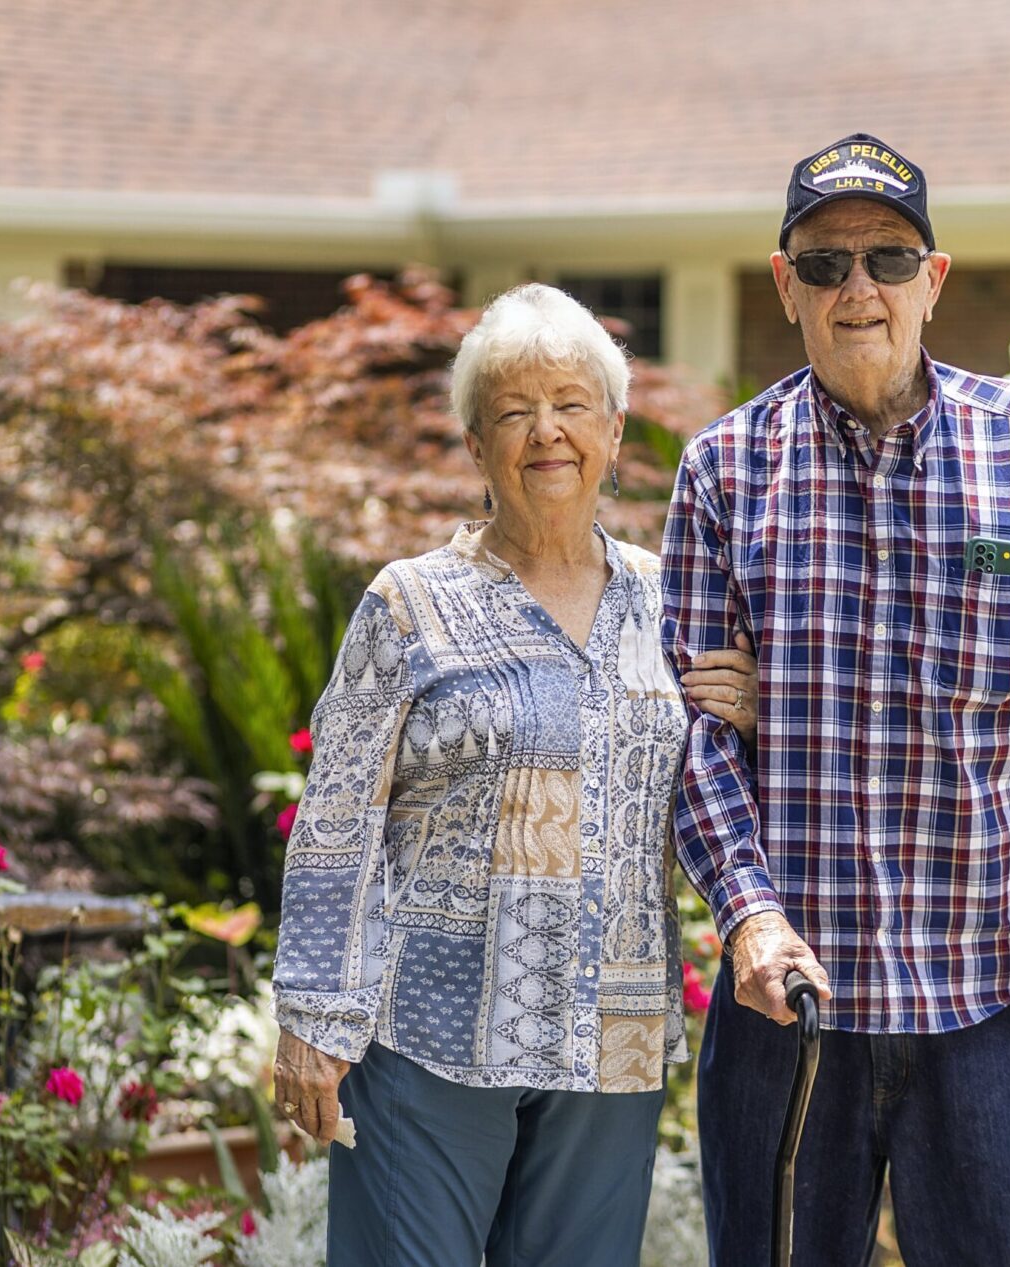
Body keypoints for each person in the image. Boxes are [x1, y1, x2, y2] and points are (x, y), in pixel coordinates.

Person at [660, 133, 1010, 1266]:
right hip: (788, 1009)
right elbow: (694, 740)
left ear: (931, 282)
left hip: (994, 998)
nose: (859, 289)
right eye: (827, 261)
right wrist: (746, 914)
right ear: (783, 283)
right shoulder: (723, 473)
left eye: (889, 260)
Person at [270, 283, 760, 1267]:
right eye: (513, 411)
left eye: (572, 404)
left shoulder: (677, 604)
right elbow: (334, 829)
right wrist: (311, 1022)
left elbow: (723, 799)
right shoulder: (409, 604)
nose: (547, 432)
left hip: (609, 1034)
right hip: (431, 1032)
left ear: (615, 432)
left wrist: (746, 718)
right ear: (474, 445)